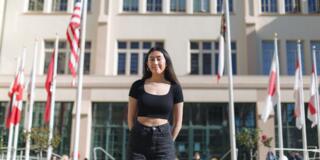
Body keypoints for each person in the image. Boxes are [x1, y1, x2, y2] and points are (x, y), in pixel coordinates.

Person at [127, 47, 184, 159]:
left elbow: (178, 123)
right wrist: (136, 134)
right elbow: (130, 117)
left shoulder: (175, 88)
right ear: (147, 63)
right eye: (151, 59)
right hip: (138, 139)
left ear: (166, 62)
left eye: (158, 59)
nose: (155, 62)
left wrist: (168, 141)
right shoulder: (137, 86)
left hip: (164, 141)